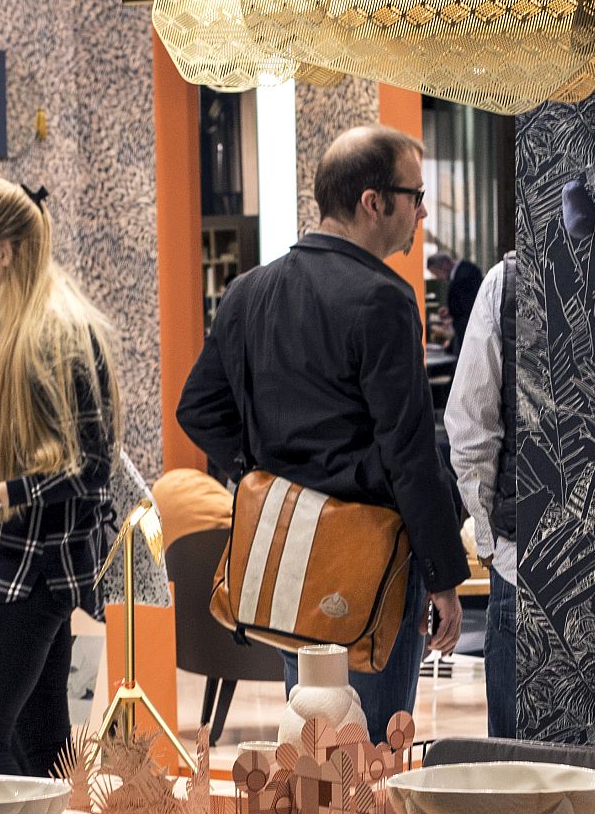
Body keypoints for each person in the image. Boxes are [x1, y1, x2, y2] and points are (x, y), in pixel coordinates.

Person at [177, 125, 468, 741]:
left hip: (286, 546)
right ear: (373, 201)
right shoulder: (384, 299)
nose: (421, 211)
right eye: (414, 195)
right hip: (369, 555)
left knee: (312, 743)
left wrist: (264, 475)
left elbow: (198, 410)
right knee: (366, 755)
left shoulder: (246, 292)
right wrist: (445, 576)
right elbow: (409, 454)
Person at [0, 176, 117, 789]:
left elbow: (87, 468)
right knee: (40, 742)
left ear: (4, 250)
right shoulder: (36, 323)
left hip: (31, 569)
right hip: (37, 564)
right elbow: (54, 450)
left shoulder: (52, 331)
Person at [446, 250, 519, 738]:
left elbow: (471, 434)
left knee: (521, 775)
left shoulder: (509, 282)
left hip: (526, 565)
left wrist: (491, 543)